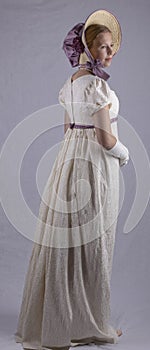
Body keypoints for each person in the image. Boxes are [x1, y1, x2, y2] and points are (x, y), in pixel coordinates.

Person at [14, 9, 129, 350]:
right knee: (95, 241)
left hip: (69, 162)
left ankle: (69, 317)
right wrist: (125, 154)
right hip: (95, 165)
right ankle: (90, 322)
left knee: (72, 239)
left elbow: (68, 128)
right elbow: (106, 139)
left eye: (111, 48)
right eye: (104, 47)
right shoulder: (95, 85)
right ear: (90, 48)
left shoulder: (70, 84)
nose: (110, 54)